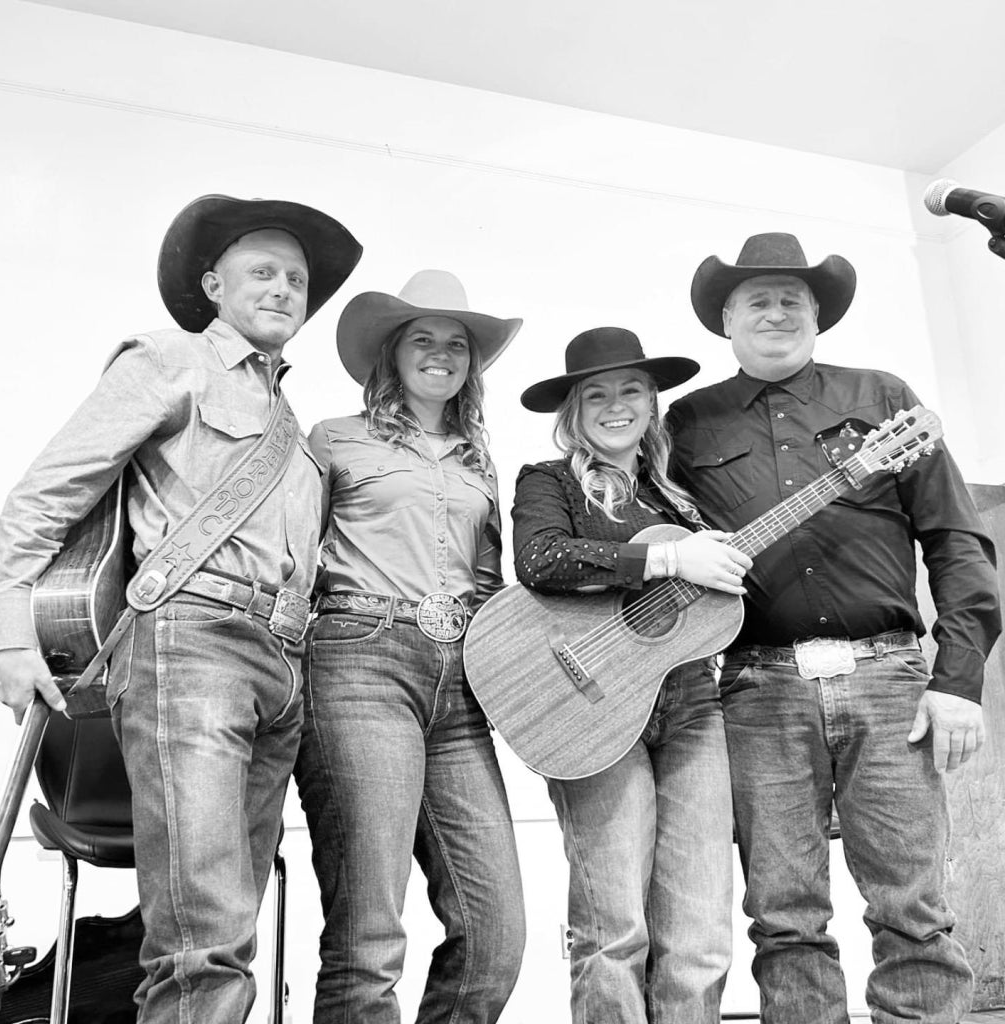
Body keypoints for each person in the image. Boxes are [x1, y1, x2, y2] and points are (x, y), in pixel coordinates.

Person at [0, 193, 362, 1023]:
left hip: (283, 668)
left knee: (228, 935)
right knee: (201, 951)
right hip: (192, 644)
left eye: (296, 279)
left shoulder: (292, 428)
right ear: (213, 285)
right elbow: (41, 497)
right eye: (261, 272)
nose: (283, 288)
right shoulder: (167, 360)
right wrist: (10, 637)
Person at [666, 232, 1001, 1024]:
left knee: (914, 908)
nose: (776, 311)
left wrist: (957, 683)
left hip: (890, 678)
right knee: (784, 917)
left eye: (793, 298)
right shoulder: (688, 421)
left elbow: (957, 542)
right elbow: (663, 547)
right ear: (726, 317)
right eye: (758, 299)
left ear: (817, 314)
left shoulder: (882, 395)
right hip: (755, 686)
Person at [294, 269, 526, 1023]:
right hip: (360, 659)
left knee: (496, 935)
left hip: (462, 681)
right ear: (391, 354)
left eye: (456, 344)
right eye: (422, 339)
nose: (441, 353)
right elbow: (288, 554)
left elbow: (490, 579)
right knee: (369, 934)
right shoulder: (334, 439)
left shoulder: (477, 458)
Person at [511, 326, 754, 1024]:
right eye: (597, 394)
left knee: (702, 931)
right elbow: (540, 559)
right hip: (592, 703)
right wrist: (669, 562)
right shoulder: (549, 480)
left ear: (652, 406)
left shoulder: (682, 501)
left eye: (631, 392)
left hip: (691, 702)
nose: (616, 405)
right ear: (574, 411)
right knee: (614, 927)